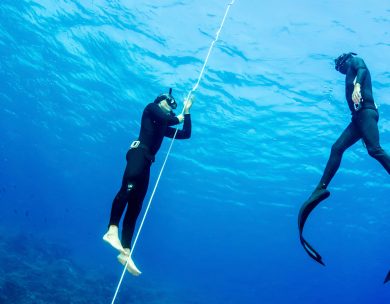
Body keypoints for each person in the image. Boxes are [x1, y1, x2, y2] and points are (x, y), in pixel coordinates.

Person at [298, 53, 390, 267]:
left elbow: (363, 70)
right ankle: (321, 187)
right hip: (357, 118)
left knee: (374, 150)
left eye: (338, 66)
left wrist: (357, 86)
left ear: (344, 60)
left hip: (366, 113)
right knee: (337, 147)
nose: (338, 69)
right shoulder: (347, 72)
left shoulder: (354, 62)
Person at [103, 89, 194, 276]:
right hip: (138, 154)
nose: (170, 106)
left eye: (173, 105)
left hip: (147, 162)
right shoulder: (151, 108)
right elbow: (168, 119)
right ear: (160, 101)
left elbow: (186, 134)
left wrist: (187, 112)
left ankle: (125, 252)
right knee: (127, 191)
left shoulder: (163, 124)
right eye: (168, 103)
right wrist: (180, 114)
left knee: (136, 206)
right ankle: (112, 230)